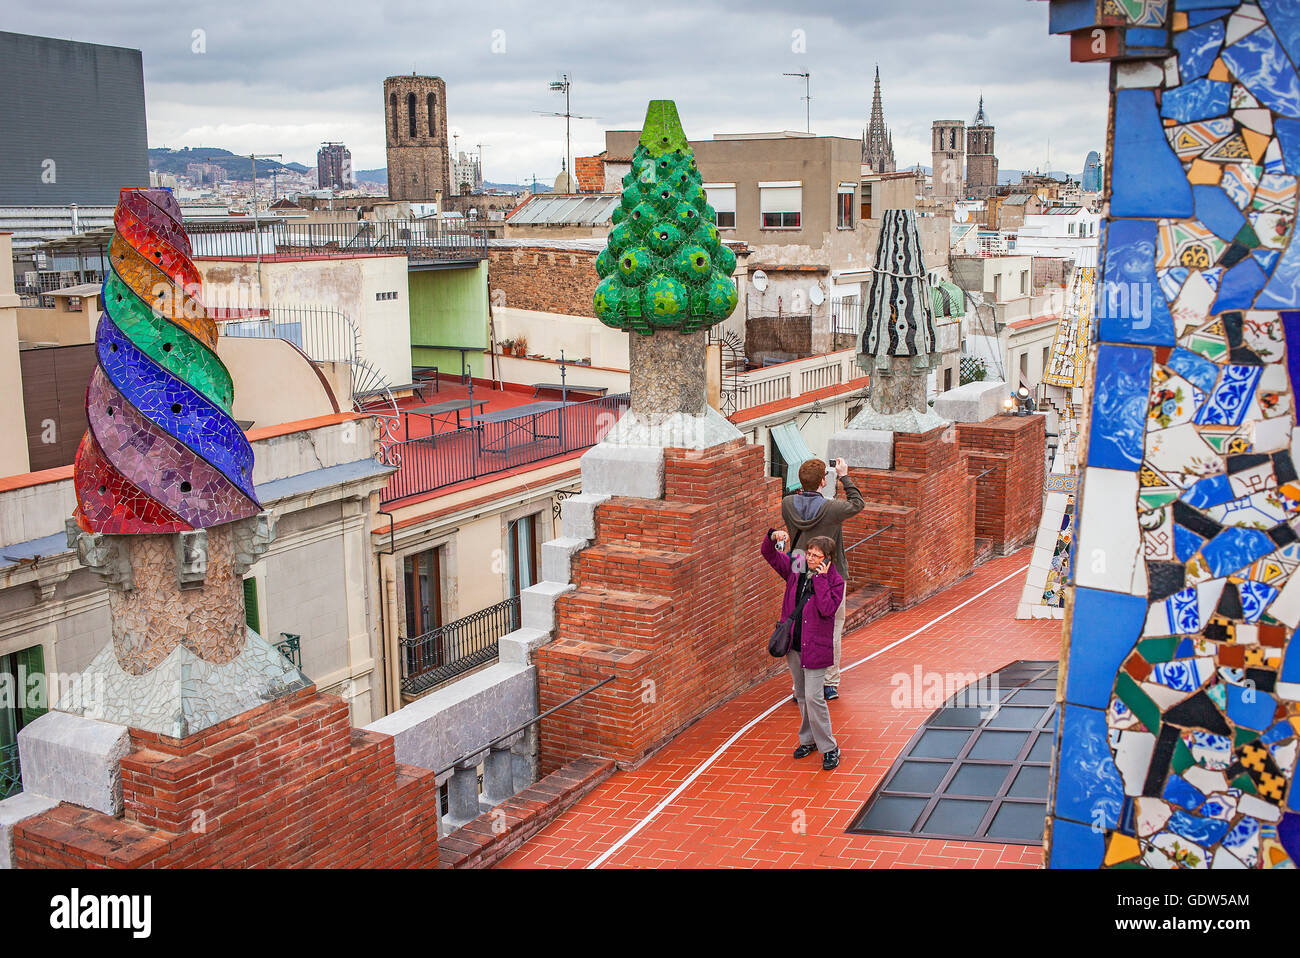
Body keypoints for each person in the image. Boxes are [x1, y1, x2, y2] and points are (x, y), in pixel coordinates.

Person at [782, 458, 864, 701]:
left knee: (799, 626)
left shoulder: (787, 504)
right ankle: (829, 683)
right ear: (823, 480)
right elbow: (857, 503)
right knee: (831, 627)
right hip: (827, 573)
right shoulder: (832, 509)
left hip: (798, 571)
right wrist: (844, 476)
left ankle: (800, 685)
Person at [762, 530, 844, 771]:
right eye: (809, 553)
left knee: (814, 697)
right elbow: (769, 555)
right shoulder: (796, 568)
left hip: (816, 648)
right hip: (793, 645)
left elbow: (827, 608)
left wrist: (820, 579)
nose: (810, 559)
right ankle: (808, 740)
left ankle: (829, 747)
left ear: (828, 559)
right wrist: (772, 537)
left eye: (817, 556)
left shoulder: (834, 582)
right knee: (801, 694)